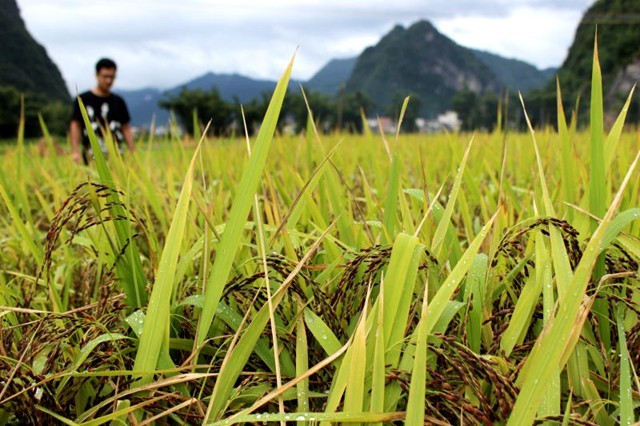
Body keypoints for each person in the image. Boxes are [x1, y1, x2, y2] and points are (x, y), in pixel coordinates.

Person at [69, 58, 135, 164]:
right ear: (97, 75)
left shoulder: (119, 101)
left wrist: (133, 152)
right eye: (105, 76)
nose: (108, 80)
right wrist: (75, 151)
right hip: (91, 156)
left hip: (117, 157)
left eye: (112, 77)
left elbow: (125, 128)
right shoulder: (83, 100)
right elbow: (75, 125)